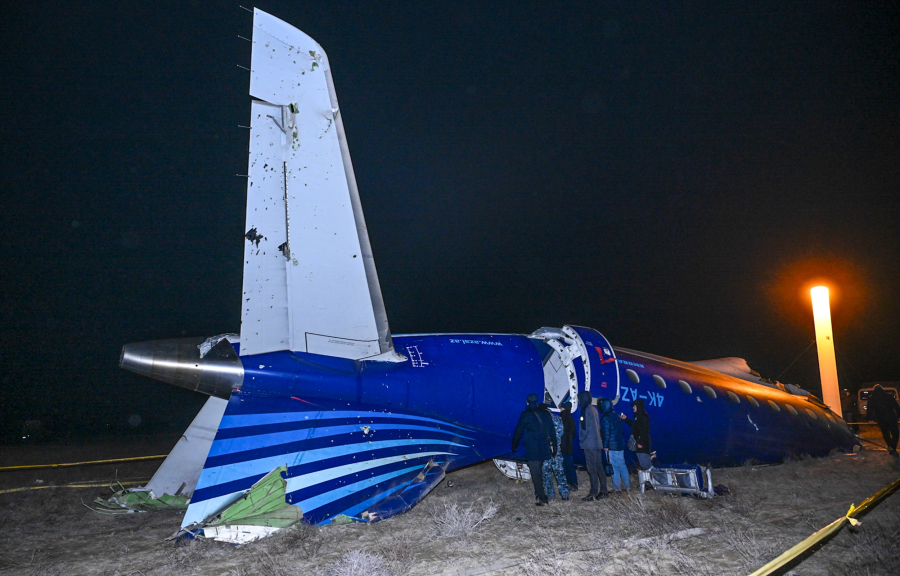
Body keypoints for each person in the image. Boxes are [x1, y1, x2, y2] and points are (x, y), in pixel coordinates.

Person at [512, 393, 558, 505]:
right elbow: (552, 431)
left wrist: (514, 445)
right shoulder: (545, 414)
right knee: (539, 472)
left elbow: (518, 431)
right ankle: (539, 493)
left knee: (536, 474)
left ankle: (542, 499)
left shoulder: (525, 415)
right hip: (544, 448)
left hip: (533, 449)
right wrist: (554, 447)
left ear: (527, 402)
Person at [577, 391, 608, 500]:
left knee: (592, 469)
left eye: (579, 399)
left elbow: (584, 428)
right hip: (597, 443)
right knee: (599, 467)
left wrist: (581, 439)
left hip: (589, 444)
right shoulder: (593, 409)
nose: (578, 401)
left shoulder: (584, 410)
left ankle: (593, 492)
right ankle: (604, 490)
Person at [600, 398, 630, 491]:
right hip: (620, 445)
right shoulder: (617, 416)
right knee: (622, 465)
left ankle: (617, 488)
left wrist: (605, 446)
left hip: (611, 446)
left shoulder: (606, 418)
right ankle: (627, 486)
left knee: (614, 467)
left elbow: (606, 433)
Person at [542, 404, 570, 500]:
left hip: (546, 452)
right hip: (557, 451)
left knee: (546, 474)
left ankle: (550, 496)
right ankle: (565, 494)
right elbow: (561, 433)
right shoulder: (558, 419)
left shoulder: (543, 421)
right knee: (560, 473)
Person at [867, 385, 900, 456]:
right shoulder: (889, 396)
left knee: (886, 433)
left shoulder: (871, 398)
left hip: (880, 418)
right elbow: (896, 406)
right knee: (895, 433)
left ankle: (890, 446)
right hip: (891, 417)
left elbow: (869, 409)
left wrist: (870, 418)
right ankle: (892, 446)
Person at [621, 398, 652, 471]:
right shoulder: (638, 417)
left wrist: (641, 442)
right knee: (644, 465)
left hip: (643, 446)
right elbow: (634, 425)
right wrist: (626, 419)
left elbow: (645, 430)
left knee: (647, 466)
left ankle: (663, 479)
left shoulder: (643, 417)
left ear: (638, 406)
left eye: (634, 406)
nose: (633, 407)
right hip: (640, 445)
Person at [559, 400, 578, 490]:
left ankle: (568, 483)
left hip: (563, 444)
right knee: (570, 465)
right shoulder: (571, 418)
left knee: (565, 465)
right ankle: (574, 483)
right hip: (569, 444)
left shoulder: (562, 417)